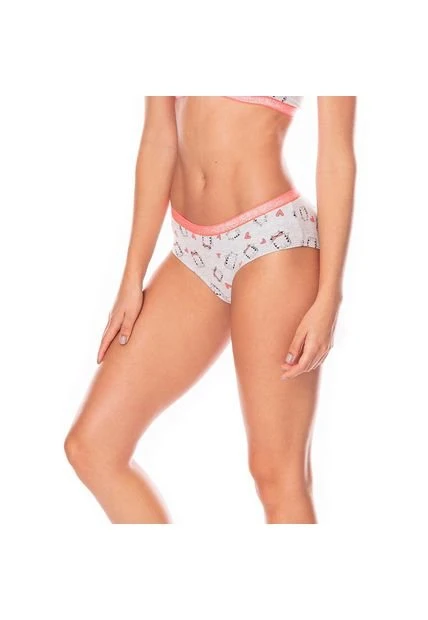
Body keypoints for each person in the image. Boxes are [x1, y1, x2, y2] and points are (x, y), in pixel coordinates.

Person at [64, 96, 356, 524]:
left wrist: (330, 294)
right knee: (93, 446)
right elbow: (159, 137)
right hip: (191, 251)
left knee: (277, 476)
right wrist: (132, 277)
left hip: (273, 242)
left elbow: (336, 158)